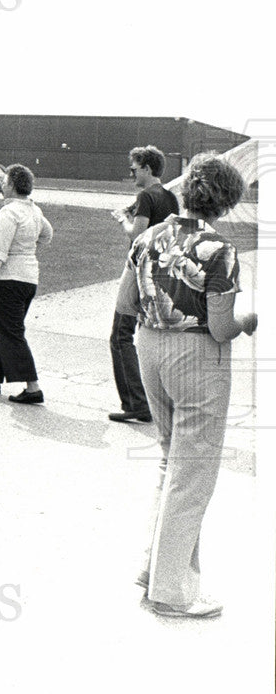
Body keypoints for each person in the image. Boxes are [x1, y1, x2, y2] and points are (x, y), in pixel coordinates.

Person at [117, 153, 257, 619]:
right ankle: (172, 592)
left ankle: (154, 568)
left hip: (149, 346)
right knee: (192, 472)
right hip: (197, 355)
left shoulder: (149, 236)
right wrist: (247, 320)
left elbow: (125, 300)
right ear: (227, 201)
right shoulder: (219, 250)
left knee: (169, 460)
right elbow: (220, 327)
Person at [108, 145, 179, 423]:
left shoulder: (145, 196)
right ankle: (157, 401)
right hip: (161, 274)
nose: (132, 172)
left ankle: (137, 403)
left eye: (135, 168)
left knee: (120, 337)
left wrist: (124, 219)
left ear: (147, 169)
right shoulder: (171, 198)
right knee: (150, 337)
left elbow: (137, 236)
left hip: (140, 272)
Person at [0, 164, 53, 403]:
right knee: (3, 327)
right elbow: (47, 235)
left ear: (13, 185)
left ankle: (32, 387)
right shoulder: (33, 210)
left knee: (11, 331)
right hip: (27, 279)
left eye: (4, 181)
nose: (1, 184)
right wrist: (27, 251)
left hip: (5, 279)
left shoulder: (9, 213)